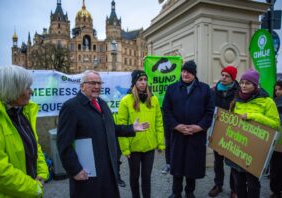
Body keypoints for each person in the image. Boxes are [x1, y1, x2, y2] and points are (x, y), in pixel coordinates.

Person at [57, 70, 149, 198]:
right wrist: (75, 170)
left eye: (99, 83)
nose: (97, 87)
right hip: (87, 171)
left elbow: (111, 128)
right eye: (92, 83)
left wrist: (131, 128)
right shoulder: (71, 107)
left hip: (107, 166)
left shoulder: (102, 103)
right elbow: (63, 144)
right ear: (82, 85)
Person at [0, 65, 49, 197]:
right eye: (27, 87)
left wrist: (42, 173)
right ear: (12, 88)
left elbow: (35, 146)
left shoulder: (22, 112)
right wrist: (33, 188)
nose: (31, 91)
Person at [163, 60, 215, 198]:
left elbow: (210, 111)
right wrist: (176, 126)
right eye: (184, 71)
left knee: (192, 164)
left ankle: (190, 191)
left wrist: (200, 127)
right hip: (177, 134)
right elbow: (167, 111)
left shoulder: (204, 89)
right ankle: (176, 192)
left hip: (196, 135)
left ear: (194, 74)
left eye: (189, 72)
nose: (185, 74)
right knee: (177, 164)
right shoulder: (172, 88)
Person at [228, 70, 280, 198]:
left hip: (255, 150)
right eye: (242, 83)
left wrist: (254, 116)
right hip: (237, 147)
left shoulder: (267, 101)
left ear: (255, 85)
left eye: (248, 83)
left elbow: (276, 124)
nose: (244, 86)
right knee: (238, 182)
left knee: (252, 183)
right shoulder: (236, 99)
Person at [117, 70, 165, 198]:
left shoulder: (153, 99)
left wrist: (160, 143)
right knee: (134, 177)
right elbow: (121, 126)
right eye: (140, 80)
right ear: (134, 82)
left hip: (149, 146)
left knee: (146, 177)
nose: (143, 83)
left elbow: (159, 122)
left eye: (145, 79)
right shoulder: (125, 101)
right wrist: (125, 149)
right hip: (133, 148)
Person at [208, 66, 238, 198]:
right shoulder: (213, 90)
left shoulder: (239, 91)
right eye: (222, 75)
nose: (223, 78)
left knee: (233, 161)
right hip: (217, 129)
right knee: (218, 160)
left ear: (233, 78)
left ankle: (234, 188)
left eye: (227, 76)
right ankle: (218, 185)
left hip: (233, 131)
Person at [270, 81, 282, 198]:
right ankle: (276, 190)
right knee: (276, 167)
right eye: (276, 89)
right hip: (276, 142)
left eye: (280, 89)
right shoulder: (272, 103)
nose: (277, 91)